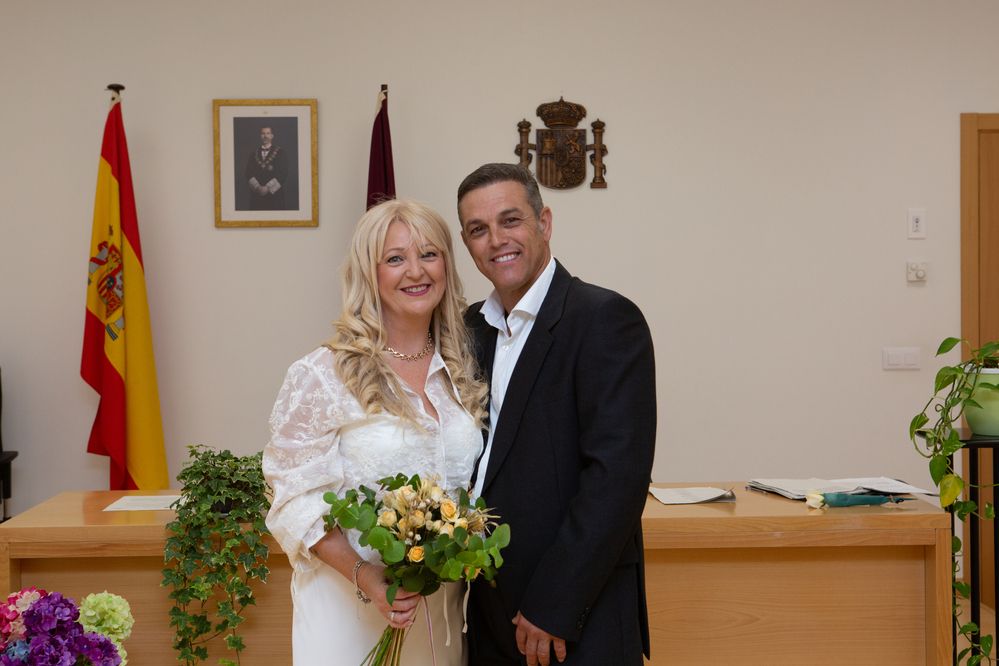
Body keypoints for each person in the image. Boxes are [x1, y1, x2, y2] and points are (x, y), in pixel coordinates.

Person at [263, 199, 488, 665]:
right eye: (395, 258)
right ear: (370, 272)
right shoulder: (322, 374)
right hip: (348, 609)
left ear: (447, 265)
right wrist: (366, 577)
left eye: (429, 254)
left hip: (439, 616)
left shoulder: (464, 370)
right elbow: (294, 497)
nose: (416, 271)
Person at [457, 163, 657, 666]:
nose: (496, 240)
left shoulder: (605, 319)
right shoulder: (468, 329)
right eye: (479, 229)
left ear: (544, 223)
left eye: (510, 220)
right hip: (485, 613)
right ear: (466, 244)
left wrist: (555, 603)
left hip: (574, 617)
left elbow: (617, 479)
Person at [244, 126, 288, 210]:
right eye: (263, 133)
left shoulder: (280, 153)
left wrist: (268, 188)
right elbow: (248, 172)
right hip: (257, 196)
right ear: (260, 136)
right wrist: (257, 187)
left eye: (268, 133)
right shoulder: (253, 154)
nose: (265, 136)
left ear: (272, 136)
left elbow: (283, 172)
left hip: (275, 196)